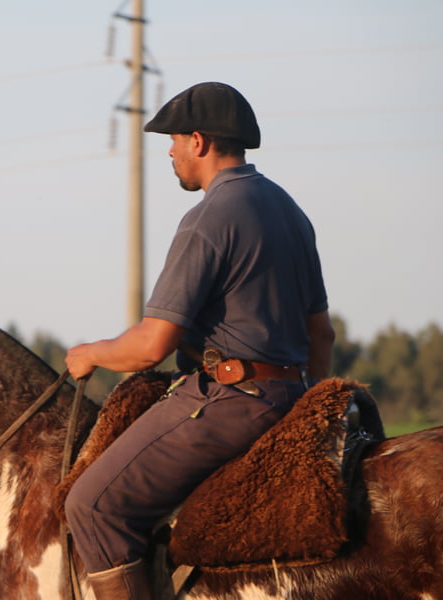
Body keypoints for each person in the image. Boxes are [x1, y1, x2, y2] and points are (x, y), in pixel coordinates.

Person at [63, 82, 335, 599]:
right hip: (292, 394)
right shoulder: (289, 210)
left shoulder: (208, 218)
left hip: (230, 401)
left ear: (199, 141)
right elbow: (321, 333)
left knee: (91, 506)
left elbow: (150, 347)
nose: (168, 151)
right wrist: (302, 408)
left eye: (173, 140)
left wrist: (90, 353)